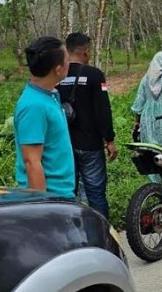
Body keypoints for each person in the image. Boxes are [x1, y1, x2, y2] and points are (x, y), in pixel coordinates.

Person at [56, 33, 117, 219]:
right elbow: (102, 110)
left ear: (67, 50)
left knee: (68, 193)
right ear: (86, 51)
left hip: (65, 145)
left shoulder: (57, 75)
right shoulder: (94, 75)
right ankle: (100, 231)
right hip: (90, 144)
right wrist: (109, 139)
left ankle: (71, 230)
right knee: (96, 193)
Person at [14, 36, 75, 199]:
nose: (69, 63)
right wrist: (42, 207)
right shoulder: (34, 106)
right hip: (51, 198)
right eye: (67, 59)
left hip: (61, 194)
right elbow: (32, 162)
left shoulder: (49, 96)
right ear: (58, 69)